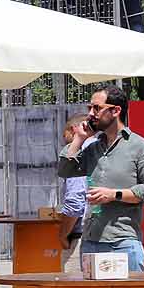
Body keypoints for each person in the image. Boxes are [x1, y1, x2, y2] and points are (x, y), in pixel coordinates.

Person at [56, 84, 144, 272]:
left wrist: (114, 195)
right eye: (90, 108)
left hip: (123, 241)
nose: (90, 114)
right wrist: (79, 139)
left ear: (115, 110)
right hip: (91, 242)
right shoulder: (93, 147)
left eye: (96, 108)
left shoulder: (140, 147)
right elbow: (65, 169)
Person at [58, 115, 91, 272]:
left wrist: (63, 235)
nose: (64, 140)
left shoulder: (77, 154)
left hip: (79, 238)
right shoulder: (101, 151)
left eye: (64, 135)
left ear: (73, 130)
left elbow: (74, 201)